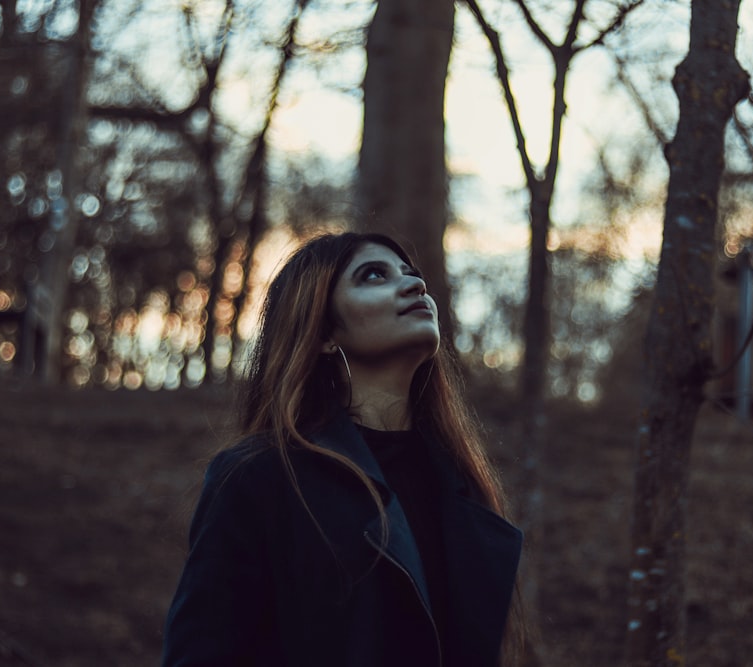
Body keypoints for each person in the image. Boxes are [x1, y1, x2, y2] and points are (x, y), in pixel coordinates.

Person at [162, 232, 524, 667]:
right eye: (374, 275)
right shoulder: (261, 477)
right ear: (323, 332)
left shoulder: (462, 486)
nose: (416, 285)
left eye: (412, 274)